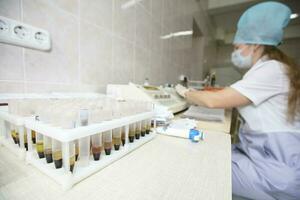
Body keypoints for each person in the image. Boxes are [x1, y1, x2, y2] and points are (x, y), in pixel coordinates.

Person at [175, 2, 300, 200]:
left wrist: (184, 92)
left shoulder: (271, 70)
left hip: (276, 172)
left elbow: (214, 102)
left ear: (255, 44)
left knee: (201, 164)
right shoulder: (272, 69)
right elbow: (232, 93)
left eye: (237, 47)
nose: (235, 53)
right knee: (212, 149)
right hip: (270, 159)